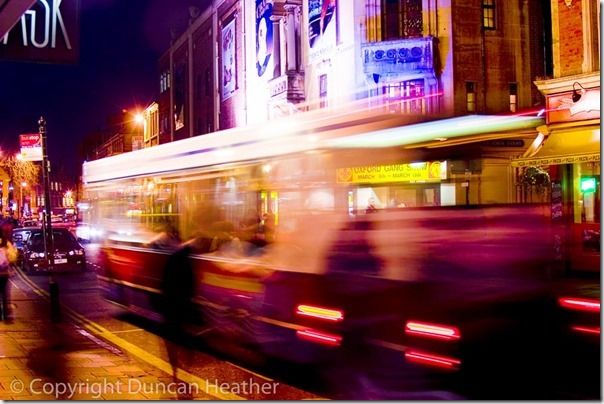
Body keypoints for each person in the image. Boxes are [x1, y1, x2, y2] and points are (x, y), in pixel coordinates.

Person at [0, 228, 17, 322]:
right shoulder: (6, 243)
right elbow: (13, 256)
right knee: (5, 295)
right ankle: (7, 316)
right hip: (4, 274)